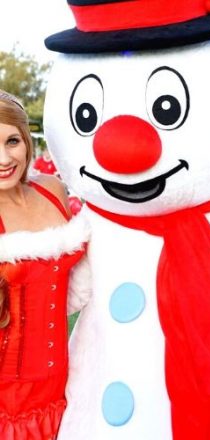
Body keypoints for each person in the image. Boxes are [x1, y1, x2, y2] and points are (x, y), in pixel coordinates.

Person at [0, 91, 87, 439]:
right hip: (8, 398)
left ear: (27, 141)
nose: (4, 158)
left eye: (12, 141)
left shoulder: (53, 191)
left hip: (66, 382)